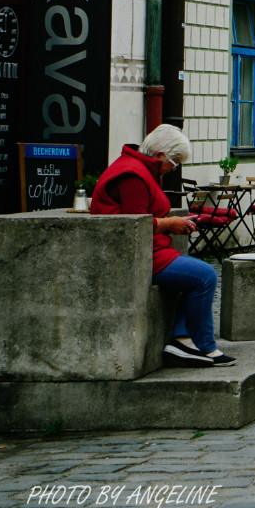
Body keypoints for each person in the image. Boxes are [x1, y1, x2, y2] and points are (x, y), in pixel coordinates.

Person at [90, 125, 235, 368]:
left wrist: (173, 224)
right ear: (159, 155)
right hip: (136, 255)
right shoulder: (133, 174)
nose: (172, 169)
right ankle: (204, 347)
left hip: (150, 250)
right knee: (205, 275)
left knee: (195, 275)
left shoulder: (138, 168)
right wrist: (170, 223)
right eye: (174, 163)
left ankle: (182, 340)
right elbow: (135, 224)